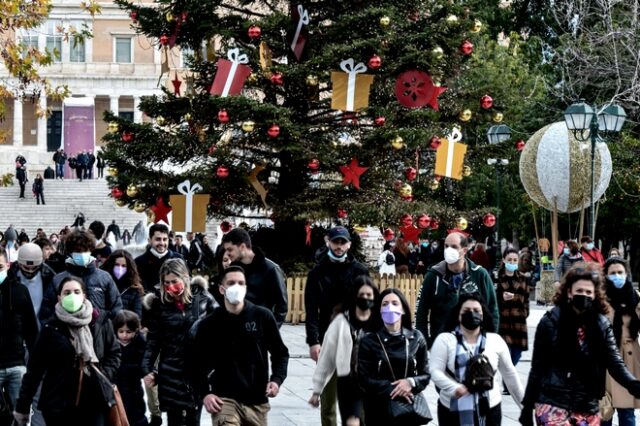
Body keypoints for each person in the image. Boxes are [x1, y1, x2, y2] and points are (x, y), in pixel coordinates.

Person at [520, 263, 640, 426]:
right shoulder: (550, 322)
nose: (584, 295)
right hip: (553, 402)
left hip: (587, 404)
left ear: (595, 295)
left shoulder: (601, 324)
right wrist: (527, 407)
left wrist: (633, 384)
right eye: (579, 291)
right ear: (569, 292)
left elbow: (614, 362)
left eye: (588, 292)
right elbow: (537, 367)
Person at [13, 276, 121, 425]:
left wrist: (105, 374)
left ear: (84, 295)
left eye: (77, 292)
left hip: (94, 401)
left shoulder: (100, 322)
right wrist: (22, 408)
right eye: (67, 292)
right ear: (59, 298)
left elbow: (114, 353)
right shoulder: (50, 328)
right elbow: (34, 371)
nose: (72, 296)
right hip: (58, 405)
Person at [191, 265, 289, 426]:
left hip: (256, 399)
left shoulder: (262, 316)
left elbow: (280, 353)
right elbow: (196, 362)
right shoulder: (210, 323)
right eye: (231, 283)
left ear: (246, 287)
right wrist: (205, 394)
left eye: (240, 283)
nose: (236, 287)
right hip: (224, 399)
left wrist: (276, 380)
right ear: (222, 289)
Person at [305, 226, 370, 426]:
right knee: (328, 401)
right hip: (328, 338)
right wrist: (313, 341)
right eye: (336, 242)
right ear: (328, 242)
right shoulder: (317, 272)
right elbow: (311, 310)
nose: (339, 246)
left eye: (343, 242)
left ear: (349, 244)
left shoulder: (359, 270)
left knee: (359, 400)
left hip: (356, 339)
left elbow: (368, 303)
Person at [430, 293, 523, 425]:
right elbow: (434, 371)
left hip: (490, 408)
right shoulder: (445, 340)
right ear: (459, 314)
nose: (472, 314)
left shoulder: (495, 340)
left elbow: (510, 374)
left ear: (483, 314)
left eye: (476, 311)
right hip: (452, 409)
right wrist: (454, 388)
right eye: (467, 311)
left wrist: (524, 406)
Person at [142, 258, 214, 426]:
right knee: (173, 420)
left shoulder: (202, 299)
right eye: (166, 282)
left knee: (193, 419)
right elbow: (153, 341)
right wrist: (147, 369)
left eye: (174, 281)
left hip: (196, 372)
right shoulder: (160, 304)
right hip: (170, 372)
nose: (170, 286)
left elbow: (218, 329)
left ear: (185, 278)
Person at [309, 276, 381, 425]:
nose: (365, 298)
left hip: (374, 383)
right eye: (361, 295)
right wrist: (317, 390)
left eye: (369, 295)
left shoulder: (379, 323)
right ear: (354, 296)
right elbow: (326, 358)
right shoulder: (341, 323)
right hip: (349, 382)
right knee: (352, 421)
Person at [356, 288, 430, 425]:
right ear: (379, 310)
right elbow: (363, 378)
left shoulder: (416, 338)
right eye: (385, 304)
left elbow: (425, 374)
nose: (390, 307)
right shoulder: (369, 340)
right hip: (378, 408)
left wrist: (410, 383)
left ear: (403, 309)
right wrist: (394, 389)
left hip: (408, 407)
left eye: (395, 303)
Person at [415, 232, 499, 348]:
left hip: (474, 344)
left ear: (464, 251)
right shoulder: (433, 276)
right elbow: (421, 312)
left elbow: (492, 310)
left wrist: (489, 340)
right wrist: (425, 343)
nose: (449, 250)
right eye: (446, 246)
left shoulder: (480, 275)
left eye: (454, 247)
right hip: (442, 344)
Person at [43, 229, 123, 320]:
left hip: (97, 330)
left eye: (85, 250)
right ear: (70, 252)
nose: (81, 254)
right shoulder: (58, 279)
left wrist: (105, 326)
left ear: (91, 250)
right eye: (77, 251)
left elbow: (116, 307)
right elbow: (47, 310)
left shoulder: (104, 277)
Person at [601, 257, 640, 426]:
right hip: (605, 359)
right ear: (606, 276)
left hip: (629, 358)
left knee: (627, 412)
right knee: (604, 411)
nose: (617, 276)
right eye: (612, 273)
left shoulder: (635, 297)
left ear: (626, 274)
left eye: (620, 272)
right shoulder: (599, 298)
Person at [222, 228, 288, 327]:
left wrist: (269, 330)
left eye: (230, 249)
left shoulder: (271, 269)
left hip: (260, 331)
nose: (227, 253)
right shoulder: (234, 269)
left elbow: (282, 306)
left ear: (242, 247)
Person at [0, 247, 39, 410]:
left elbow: (31, 329)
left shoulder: (20, 290)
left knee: (21, 413)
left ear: (8, 265)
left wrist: (35, 365)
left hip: (17, 364)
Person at [113, 310, 149, 426]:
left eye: (128, 332)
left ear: (135, 331)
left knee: (136, 412)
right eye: (121, 331)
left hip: (134, 386)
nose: (124, 335)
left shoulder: (139, 344)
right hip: (117, 386)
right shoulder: (113, 343)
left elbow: (143, 364)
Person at [496, 248, 530, 368]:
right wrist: (501, 297)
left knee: (516, 355)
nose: (512, 262)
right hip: (503, 323)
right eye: (509, 259)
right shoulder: (496, 278)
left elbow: (526, 299)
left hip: (518, 323)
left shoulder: (523, 278)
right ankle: (507, 386)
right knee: (506, 358)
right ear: (504, 260)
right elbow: (490, 299)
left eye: (515, 260)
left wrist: (524, 312)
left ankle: (506, 385)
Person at [12, 243, 57, 325]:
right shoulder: (11, 275)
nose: (30, 271)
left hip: (42, 326)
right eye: (26, 267)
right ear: (19, 264)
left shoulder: (50, 276)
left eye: (34, 267)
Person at [135, 223, 184, 294]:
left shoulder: (179, 259)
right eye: (158, 239)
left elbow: (187, 282)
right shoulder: (139, 262)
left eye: (165, 239)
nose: (162, 243)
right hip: (149, 303)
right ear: (149, 240)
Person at [102, 250, 144, 318]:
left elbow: (137, 316)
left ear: (129, 268)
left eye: (124, 266)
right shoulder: (103, 284)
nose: (120, 268)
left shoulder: (134, 288)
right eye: (117, 265)